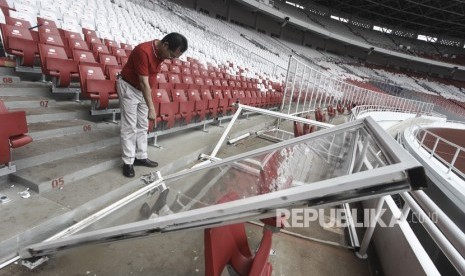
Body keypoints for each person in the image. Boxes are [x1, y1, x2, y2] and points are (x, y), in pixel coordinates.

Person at [117, 33, 188, 177]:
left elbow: (149, 81)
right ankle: (128, 162)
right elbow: (143, 82)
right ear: (165, 45)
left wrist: (150, 102)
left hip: (142, 90)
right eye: (171, 55)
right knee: (130, 126)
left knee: (142, 125)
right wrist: (151, 108)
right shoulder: (143, 51)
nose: (171, 59)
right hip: (129, 87)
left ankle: (141, 156)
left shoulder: (161, 53)